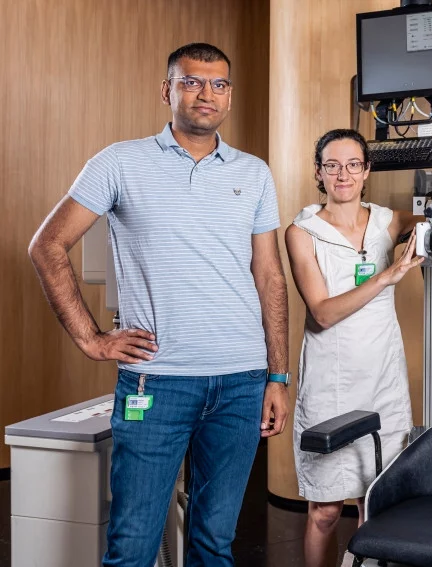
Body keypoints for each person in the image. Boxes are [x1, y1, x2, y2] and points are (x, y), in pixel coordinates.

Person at [27, 43, 289, 567]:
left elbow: (269, 275)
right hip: (157, 381)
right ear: (167, 90)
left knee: (214, 544)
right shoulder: (120, 162)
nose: (205, 94)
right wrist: (91, 338)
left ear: (229, 96)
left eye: (217, 84)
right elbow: (47, 245)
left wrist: (277, 376)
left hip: (241, 381)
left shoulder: (254, 172)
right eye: (191, 82)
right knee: (132, 547)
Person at [285, 129, 424, 567]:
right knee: (325, 509)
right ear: (318, 173)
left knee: (375, 501)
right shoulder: (302, 232)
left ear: (367, 171)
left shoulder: (387, 221)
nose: (342, 174)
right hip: (332, 384)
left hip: (383, 377)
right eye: (332, 165)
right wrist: (385, 276)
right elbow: (322, 312)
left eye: (352, 165)